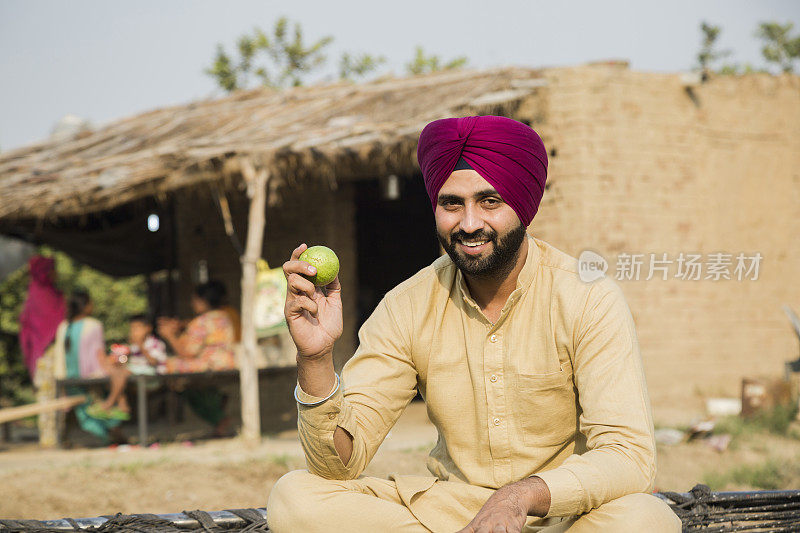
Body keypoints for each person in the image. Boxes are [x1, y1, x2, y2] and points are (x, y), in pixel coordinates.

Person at [267, 116, 681, 532]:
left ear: (524, 206)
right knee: (296, 498)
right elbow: (340, 466)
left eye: (490, 201)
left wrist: (518, 497)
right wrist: (316, 357)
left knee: (646, 521)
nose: (468, 224)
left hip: (562, 516)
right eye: (451, 203)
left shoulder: (587, 296)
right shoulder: (407, 305)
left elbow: (628, 456)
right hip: (451, 517)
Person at [158, 280, 236, 436]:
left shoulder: (200, 322)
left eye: (194, 300)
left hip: (209, 365)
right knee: (195, 389)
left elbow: (187, 353)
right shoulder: (225, 317)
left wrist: (169, 336)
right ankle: (218, 408)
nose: (192, 303)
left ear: (202, 301)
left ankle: (219, 418)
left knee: (168, 369)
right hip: (228, 361)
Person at [53, 289, 128, 444]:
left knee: (85, 411)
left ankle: (109, 432)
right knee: (115, 384)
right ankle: (114, 419)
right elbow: (99, 354)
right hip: (90, 376)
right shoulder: (93, 325)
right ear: (86, 306)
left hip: (68, 377)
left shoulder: (63, 326)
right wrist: (111, 369)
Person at [19, 255, 65, 378]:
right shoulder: (42, 295)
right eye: (53, 269)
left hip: (43, 354)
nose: (56, 273)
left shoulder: (45, 293)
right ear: (46, 272)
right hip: (46, 355)